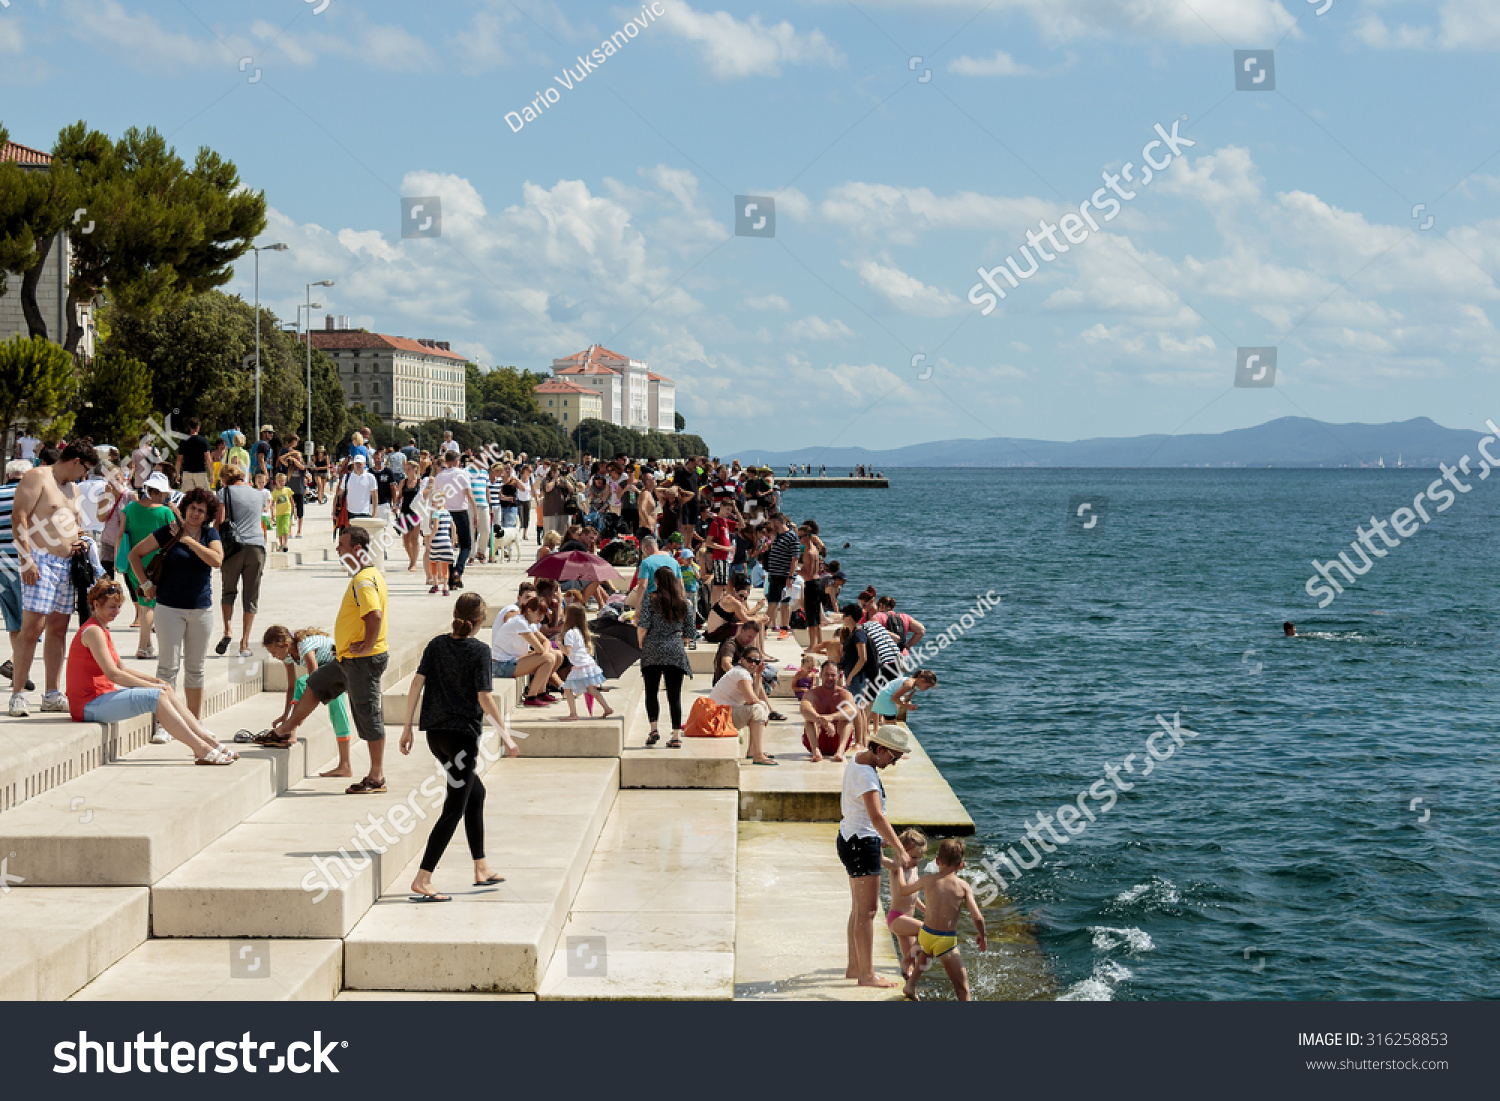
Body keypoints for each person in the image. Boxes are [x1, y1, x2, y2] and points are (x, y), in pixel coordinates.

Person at [399, 593, 518, 902]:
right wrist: (506, 736)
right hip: (462, 738)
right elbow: (484, 698)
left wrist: (408, 727)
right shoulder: (479, 651)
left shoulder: (436, 645)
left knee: (475, 793)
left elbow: (416, 684)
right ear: (481, 622)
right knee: (454, 808)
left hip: (436, 736)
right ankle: (423, 878)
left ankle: (481, 867)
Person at [268, 526, 390, 795]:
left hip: (363, 661)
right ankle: (284, 731)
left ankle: (376, 776)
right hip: (347, 659)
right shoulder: (365, 575)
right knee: (316, 682)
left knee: (368, 714)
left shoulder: (363, 580)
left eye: (342, 545)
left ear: (357, 549)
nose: (338, 549)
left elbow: (375, 615)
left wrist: (367, 645)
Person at [67, 579, 238, 764]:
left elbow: (122, 669)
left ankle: (210, 741)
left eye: (118, 607)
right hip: (88, 705)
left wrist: (157, 682)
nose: (116, 612)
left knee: (165, 688)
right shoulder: (93, 631)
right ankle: (201, 749)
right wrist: (152, 687)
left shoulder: (101, 629)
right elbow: (114, 675)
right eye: (111, 607)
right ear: (95, 604)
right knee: (156, 696)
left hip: (101, 697)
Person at [9, 439, 98, 716]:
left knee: (58, 629)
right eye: (85, 469)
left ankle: (51, 692)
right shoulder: (39, 476)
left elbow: (75, 524)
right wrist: (27, 559)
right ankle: (18, 693)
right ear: (74, 462)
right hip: (40, 559)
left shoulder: (72, 488)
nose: (84, 476)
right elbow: (19, 516)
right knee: (31, 628)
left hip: (66, 564)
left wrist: (82, 540)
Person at [127, 486, 222, 717]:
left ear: (207, 515)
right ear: (184, 509)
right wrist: (146, 585)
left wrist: (189, 541)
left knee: (195, 669)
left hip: (200, 609)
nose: (195, 514)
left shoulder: (210, 535)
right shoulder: (167, 532)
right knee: (167, 667)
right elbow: (134, 555)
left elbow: (217, 560)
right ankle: (165, 723)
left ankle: (193, 721)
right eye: (192, 508)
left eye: (201, 510)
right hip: (169, 607)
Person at [839, 723, 913, 989]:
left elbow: (865, 814)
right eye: (893, 757)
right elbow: (876, 816)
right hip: (860, 845)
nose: (893, 763)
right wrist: (900, 849)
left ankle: (854, 966)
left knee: (859, 909)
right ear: (880, 748)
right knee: (868, 912)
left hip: (851, 837)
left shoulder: (858, 759)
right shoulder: (867, 775)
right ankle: (866, 975)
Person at [897, 837, 987, 1001]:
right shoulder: (963, 886)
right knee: (963, 990)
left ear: (937, 861)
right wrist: (982, 935)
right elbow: (978, 917)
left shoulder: (927, 880)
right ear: (962, 865)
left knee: (926, 952)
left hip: (925, 934)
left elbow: (903, 890)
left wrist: (899, 870)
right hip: (945, 940)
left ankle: (910, 985)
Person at [262, 625, 355, 777]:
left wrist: (297, 717)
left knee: (337, 710)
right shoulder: (287, 655)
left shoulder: (305, 647)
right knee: (301, 684)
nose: (273, 656)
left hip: (343, 668)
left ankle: (345, 765)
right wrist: (285, 715)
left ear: (285, 645)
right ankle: (290, 731)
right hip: (328, 670)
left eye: (274, 652)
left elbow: (315, 680)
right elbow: (291, 687)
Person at [213, 467, 267, 661]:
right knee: (250, 596)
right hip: (257, 547)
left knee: (228, 591)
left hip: (233, 548)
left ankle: (228, 630)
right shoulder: (258, 494)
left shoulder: (224, 492)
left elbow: (219, 522)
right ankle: (244, 643)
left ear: (225, 478)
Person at [637, 567, 693, 748]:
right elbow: (690, 631)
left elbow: (643, 625)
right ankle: (676, 736)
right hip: (675, 648)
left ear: (658, 581)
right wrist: (680, 641)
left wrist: (641, 643)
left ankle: (654, 728)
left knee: (651, 691)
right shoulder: (684, 602)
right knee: (674, 695)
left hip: (652, 646)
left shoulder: (650, 599)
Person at [709, 645, 776, 765]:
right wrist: (764, 711)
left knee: (759, 707)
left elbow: (752, 698)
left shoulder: (742, 673)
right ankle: (758, 755)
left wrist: (758, 676)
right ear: (742, 660)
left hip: (720, 715)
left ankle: (753, 751)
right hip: (718, 718)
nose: (753, 664)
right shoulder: (741, 674)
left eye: (756, 661)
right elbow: (751, 700)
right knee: (758, 709)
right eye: (750, 660)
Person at [490, 594, 562, 705]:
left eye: (543, 616)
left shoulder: (529, 622)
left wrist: (547, 652)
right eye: (539, 614)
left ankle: (541, 691)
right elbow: (539, 649)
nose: (541, 619)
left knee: (557, 655)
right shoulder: (520, 622)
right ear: (529, 611)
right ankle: (531, 696)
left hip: (512, 661)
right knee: (548, 658)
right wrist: (546, 652)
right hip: (501, 665)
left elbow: (546, 641)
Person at [885, 828, 930, 979]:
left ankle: (911, 988)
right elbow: (880, 860)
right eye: (911, 857)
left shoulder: (914, 870)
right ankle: (906, 963)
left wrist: (925, 910)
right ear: (900, 852)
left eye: (918, 858)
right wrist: (878, 846)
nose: (915, 861)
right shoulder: (897, 867)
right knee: (928, 931)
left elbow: (913, 897)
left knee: (911, 963)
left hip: (907, 921)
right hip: (897, 918)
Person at [558, 604, 613, 721]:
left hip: (580, 666)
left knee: (567, 689)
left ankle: (573, 714)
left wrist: (559, 644)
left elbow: (567, 651)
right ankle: (607, 708)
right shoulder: (579, 631)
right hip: (588, 664)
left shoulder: (570, 633)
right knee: (591, 689)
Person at [433, 450, 476, 589]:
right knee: (466, 545)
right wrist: (475, 512)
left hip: (445, 512)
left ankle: (451, 580)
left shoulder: (439, 476)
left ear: (446, 461)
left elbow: (435, 496)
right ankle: (458, 570)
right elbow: (469, 495)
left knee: (449, 546)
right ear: (457, 460)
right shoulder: (462, 474)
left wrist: (434, 514)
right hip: (460, 512)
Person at [799, 660, 856, 762]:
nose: (829, 678)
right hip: (817, 738)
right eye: (826, 675)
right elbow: (804, 709)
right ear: (821, 675)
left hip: (837, 738)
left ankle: (840, 751)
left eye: (833, 675)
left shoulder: (844, 694)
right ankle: (816, 751)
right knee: (809, 720)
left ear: (839, 676)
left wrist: (831, 717)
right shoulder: (813, 693)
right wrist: (822, 721)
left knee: (847, 719)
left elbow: (851, 710)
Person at [763, 514, 800, 638]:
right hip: (774, 574)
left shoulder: (792, 537)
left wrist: (790, 576)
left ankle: (783, 628)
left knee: (784, 602)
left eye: (772, 523)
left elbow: (795, 558)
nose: (771, 526)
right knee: (773, 602)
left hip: (784, 575)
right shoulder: (777, 536)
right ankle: (765, 628)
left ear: (777, 523)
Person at [871, 669, 937, 731]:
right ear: (922, 680)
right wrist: (906, 706)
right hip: (885, 697)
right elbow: (894, 698)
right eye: (927, 687)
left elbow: (907, 700)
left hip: (887, 698)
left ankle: (880, 731)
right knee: (892, 725)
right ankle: (884, 736)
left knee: (891, 723)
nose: (927, 689)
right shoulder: (909, 685)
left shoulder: (913, 688)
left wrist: (910, 706)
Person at [425, 504, 456, 596]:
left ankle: (435, 584)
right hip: (446, 540)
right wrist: (453, 540)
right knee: (445, 564)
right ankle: (445, 587)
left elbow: (435, 527)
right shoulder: (447, 513)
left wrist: (430, 538)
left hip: (437, 540)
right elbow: (453, 527)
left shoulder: (436, 514)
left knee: (433, 562)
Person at [175, 418, 212, 492]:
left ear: (189, 427)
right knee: (204, 496)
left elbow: (179, 460)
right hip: (200, 472)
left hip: (187, 472)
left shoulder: (183, 441)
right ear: (198, 426)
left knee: (187, 497)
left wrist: (178, 474)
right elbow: (208, 459)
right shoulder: (203, 440)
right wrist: (211, 474)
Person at [343, 454, 377, 521]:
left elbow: (374, 496)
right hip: (349, 512)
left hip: (365, 512)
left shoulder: (370, 477)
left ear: (364, 464)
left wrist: (374, 513)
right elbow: (340, 494)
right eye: (356, 463)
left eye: (360, 464)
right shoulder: (347, 477)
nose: (358, 466)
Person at [270, 472, 295, 552]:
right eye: (280, 481)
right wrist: (272, 512)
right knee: (280, 529)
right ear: (276, 482)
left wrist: (294, 511)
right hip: (279, 513)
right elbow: (272, 503)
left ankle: (285, 543)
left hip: (286, 512)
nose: (281, 483)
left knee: (285, 527)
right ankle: (281, 544)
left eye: (283, 481)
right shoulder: (274, 492)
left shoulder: (287, 490)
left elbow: (292, 501)